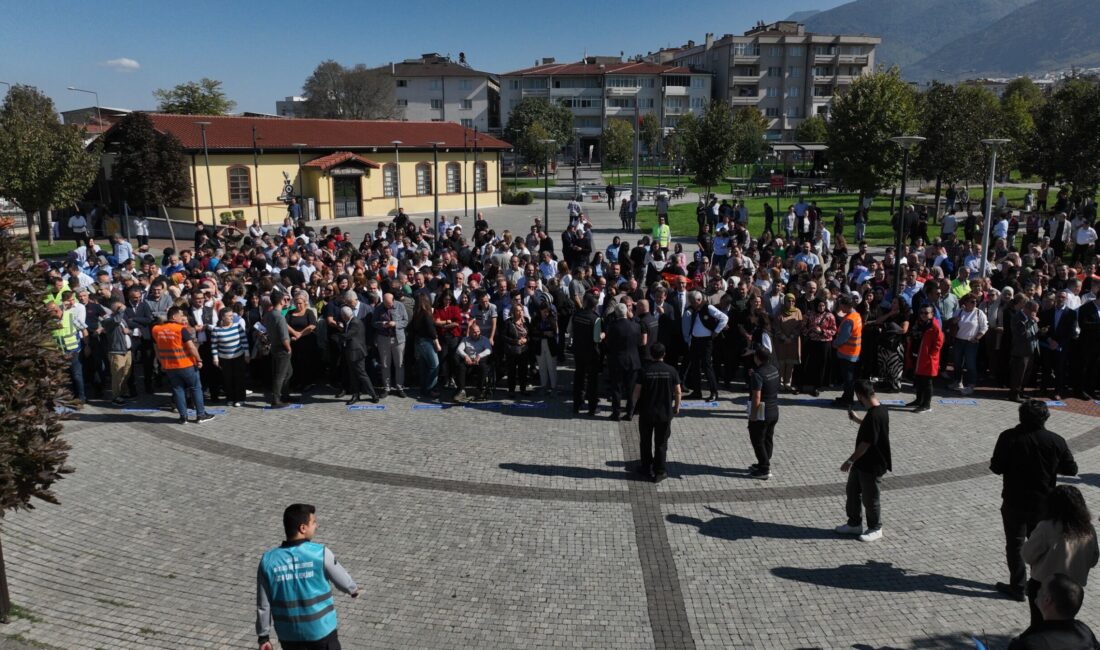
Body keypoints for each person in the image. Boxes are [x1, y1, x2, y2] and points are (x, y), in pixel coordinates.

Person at [990, 399, 1079, 602]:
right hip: (1044, 505)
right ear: (1045, 418)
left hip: (1014, 501)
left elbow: (996, 467)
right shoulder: (1056, 440)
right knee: (1042, 546)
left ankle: (1017, 586)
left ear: (1021, 417)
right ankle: (1039, 585)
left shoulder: (1008, 437)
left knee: (1015, 545)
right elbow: (1071, 469)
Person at [256, 504, 359, 650]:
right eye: (313, 522)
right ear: (303, 528)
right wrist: (353, 589)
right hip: (322, 633)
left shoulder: (268, 560)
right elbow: (343, 581)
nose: (316, 526)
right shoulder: (320, 553)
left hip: (289, 637)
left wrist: (263, 637)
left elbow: (263, 604)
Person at [1020, 486, 1099, 626]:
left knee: (1039, 626)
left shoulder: (1046, 527)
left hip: (1044, 586)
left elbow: (1027, 555)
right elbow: (1093, 559)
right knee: (1065, 626)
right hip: (1073, 589)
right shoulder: (1088, 530)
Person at [836, 380, 891, 543]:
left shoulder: (875, 415)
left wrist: (850, 460)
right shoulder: (880, 409)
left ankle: (876, 528)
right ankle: (854, 524)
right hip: (862, 462)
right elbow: (871, 428)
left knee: (870, 498)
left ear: (860, 396)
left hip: (872, 465)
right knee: (852, 491)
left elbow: (866, 443)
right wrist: (857, 420)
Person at [152, 306, 215, 424]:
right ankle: (201, 415)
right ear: (174, 317)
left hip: (170, 366)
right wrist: (199, 360)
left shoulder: (156, 329)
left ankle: (183, 417)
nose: (182, 318)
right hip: (186, 365)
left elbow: (157, 350)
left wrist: (162, 363)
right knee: (195, 388)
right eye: (181, 316)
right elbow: (191, 347)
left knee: (178, 390)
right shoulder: (180, 329)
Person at [1007, 573, 1100, 650]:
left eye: (1041, 588)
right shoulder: (1085, 632)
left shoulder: (1028, 644)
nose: (1038, 590)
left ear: (1047, 600)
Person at [631, 342, 681, 483]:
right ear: (664, 354)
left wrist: (633, 407)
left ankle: (646, 467)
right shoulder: (671, 370)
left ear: (651, 355)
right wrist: (676, 407)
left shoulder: (644, 370)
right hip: (664, 413)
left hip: (646, 412)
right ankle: (659, 471)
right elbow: (678, 391)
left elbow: (637, 392)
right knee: (661, 443)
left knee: (645, 441)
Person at [682, 290, 728, 401]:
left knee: (707, 367)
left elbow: (724, 318)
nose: (692, 304)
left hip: (706, 341)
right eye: (691, 302)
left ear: (699, 300)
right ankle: (697, 391)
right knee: (695, 367)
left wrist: (716, 331)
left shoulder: (708, 308)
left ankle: (714, 392)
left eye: (693, 302)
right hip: (695, 340)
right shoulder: (693, 309)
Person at [746, 345, 780, 480]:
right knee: (768, 438)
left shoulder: (758, 375)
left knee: (757, 440)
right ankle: (763, 462)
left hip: (762, 414)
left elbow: (756, 397)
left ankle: (765, 468)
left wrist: (753, 415)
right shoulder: (774, 369)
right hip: (774, 411)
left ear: (756, 358)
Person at [605, 302, 642, 420]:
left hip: (617, 361)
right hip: (633, 361)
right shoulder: (636, 326)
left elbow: (608, 343)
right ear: (627, 312)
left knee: (616, 388)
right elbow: (639, 342)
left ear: (616, 313)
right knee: (631, 389)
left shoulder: (612, 326)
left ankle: (616, 413)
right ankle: (630, 412)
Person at [569, 293, 601, 416]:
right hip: (591, 353)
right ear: (595, 306)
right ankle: (592, 408)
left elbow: (571, 331)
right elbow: (596, 338)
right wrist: (603, 335)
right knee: (592, 381)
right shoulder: (595, 318)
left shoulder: (576, 315)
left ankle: (576, 405)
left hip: (578, 351)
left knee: (579, 378)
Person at [340, 306, 379, 405]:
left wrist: (338, 334)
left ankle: (374, 395)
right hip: (351, 352)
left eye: (342, 315)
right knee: (353, 375)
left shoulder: (355, 323)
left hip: (357, 353)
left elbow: (348, 335)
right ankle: (356, 395)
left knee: (362, 374)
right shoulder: (350, 321)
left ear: (344, 316)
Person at [211, 307, 249, 407]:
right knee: (227, 379)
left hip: (238, 356)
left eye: (232, 315)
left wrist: (247, 354)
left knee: (239, 378)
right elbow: (214, 345)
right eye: (229, 316)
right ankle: (230, 398)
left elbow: (244, 340)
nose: (232, 317)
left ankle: (240, 398)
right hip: (224, 358)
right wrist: (215, 358)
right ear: (223, 317)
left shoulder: (237, 326)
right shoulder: (216, 330)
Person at [373, 293, 409, 398]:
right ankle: (387, 388)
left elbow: (406, 321)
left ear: (393, 300)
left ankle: (399, 387)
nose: (388, 306)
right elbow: (373, 322)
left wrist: (396, 324)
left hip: (398, 339)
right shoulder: (379, 307)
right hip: (383, 339)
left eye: (389, 304)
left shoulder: (400, 306)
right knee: (385, 364)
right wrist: (382, 324)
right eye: (385, 304)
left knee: (399, 364)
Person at [910, 304, 943, 413]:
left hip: (927, 358)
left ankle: (926, 405)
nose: (923, 315)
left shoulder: (934, 326)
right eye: (921, 312)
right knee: (919, 380)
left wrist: (931, 355)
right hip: (918, 355)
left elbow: (939, 342)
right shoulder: (919, 323)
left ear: (932, 314)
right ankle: (919, 400)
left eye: (926, 313)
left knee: (927, 382)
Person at [263, 292, 294, 407]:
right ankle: (276, 400)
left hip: (275, 347)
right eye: (285, 299)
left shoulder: (269, 314)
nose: (286, 301)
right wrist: (289, 348)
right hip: (282, 348)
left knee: (288, 372)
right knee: (280, 375)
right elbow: (284, 337)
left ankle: (285, 395)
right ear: (281, 301)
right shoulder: (280, 317)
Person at [832, 295, 863, 407]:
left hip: (847, 353)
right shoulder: (856, 315)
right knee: (850, 377)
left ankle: (848, 399)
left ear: (846, 306)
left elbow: (843, 337)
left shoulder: (849, 320)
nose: (840, 308)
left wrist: (835, 344)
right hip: (854, 352)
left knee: (848, 378)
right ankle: (847, 396)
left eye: (841, 306)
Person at [1009, 299, 1041, 403]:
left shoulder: (1031, 318)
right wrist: (1030, 321)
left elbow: (1034, 332)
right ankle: (1014, 395)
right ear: (1026, 309)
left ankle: (1021, 392)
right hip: (1021, 351)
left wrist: (1041, 331)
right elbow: (1020, 334)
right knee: (1019, 374)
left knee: (1026, 374)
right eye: (1034, 311)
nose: (1035, 313)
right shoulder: (1017, 317)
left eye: (1036, 311)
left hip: (1031, 350)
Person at [454, 321, 492, 402]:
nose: (477, 333)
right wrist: (465, 356)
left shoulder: (484, 339)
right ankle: (461, 391)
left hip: (479, 361)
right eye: (474, 332)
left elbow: (489, 350)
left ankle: (480, 389)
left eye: (478, 331)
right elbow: (459, 349)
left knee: (484, 368)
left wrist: (479, 356)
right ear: (470, 332)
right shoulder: (465, 339)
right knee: (461, 367)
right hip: (469, 361)